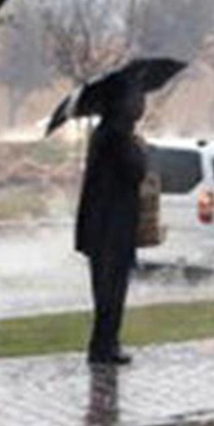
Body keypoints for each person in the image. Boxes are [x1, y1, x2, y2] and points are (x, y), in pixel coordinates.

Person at [76, 75, 147, 366]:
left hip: (102, 225)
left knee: (108, 290)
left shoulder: (106, 133)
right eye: (137, 99)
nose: (141, 105)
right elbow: (135, 171)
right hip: (110, 226)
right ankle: (104, 346)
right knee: (111, 291)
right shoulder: (117, 136)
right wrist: (140, 149)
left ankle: (105, 344)